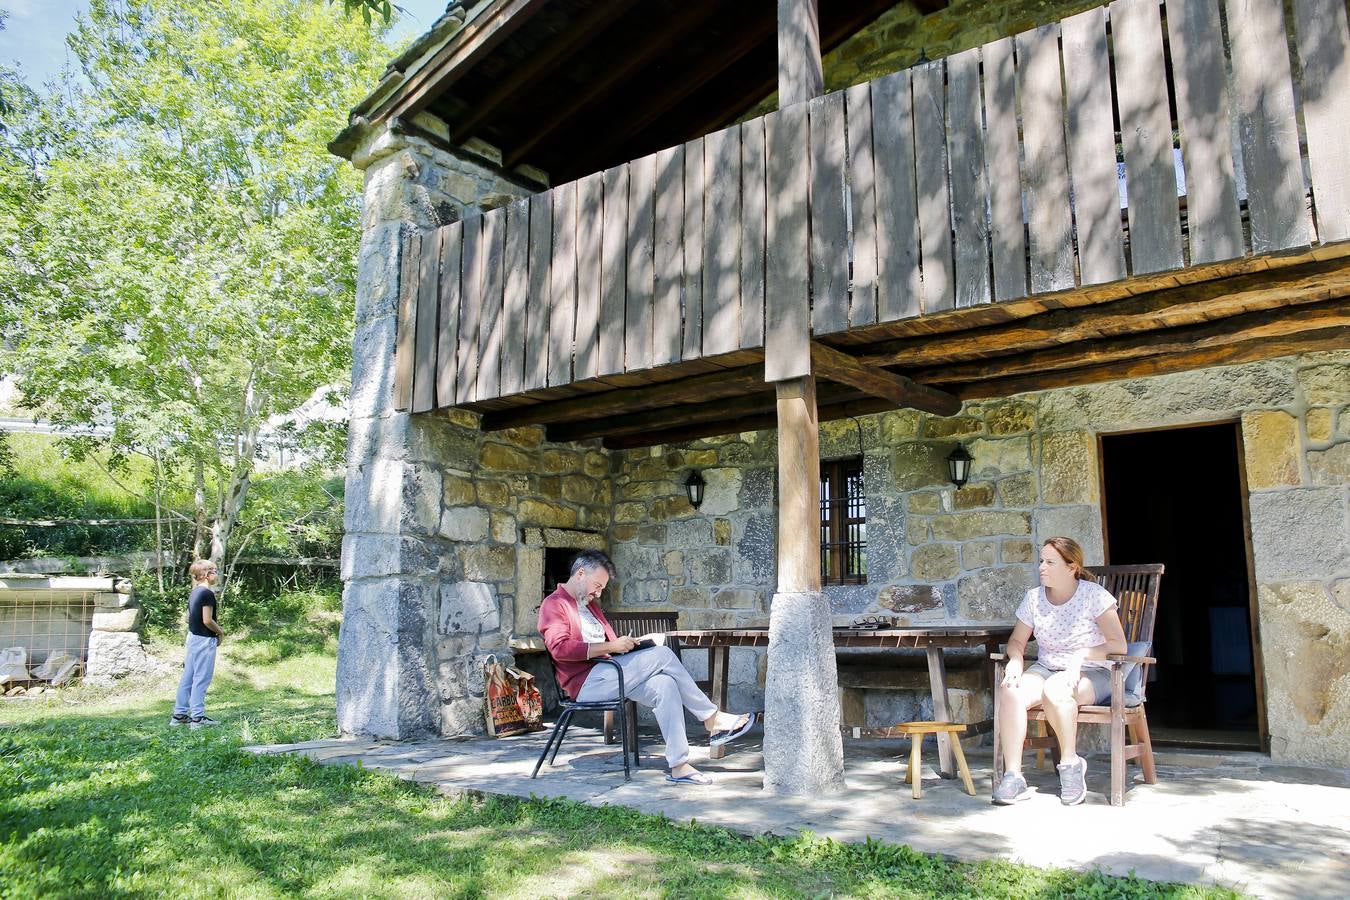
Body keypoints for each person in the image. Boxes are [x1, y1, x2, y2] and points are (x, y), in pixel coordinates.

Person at [538, 550, 756, 785]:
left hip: (612, 674)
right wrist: (612, 645)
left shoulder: (590, 606)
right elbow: (560, 649)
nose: (598, 592)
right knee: (662, 654)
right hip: (587, 685)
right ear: (580, 574)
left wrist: (629, 645)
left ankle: (679, 765)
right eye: (597, 585)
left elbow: (606, 646)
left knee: (665, 684)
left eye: (602, 588)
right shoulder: (555, 604)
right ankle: (711, 718)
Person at [992, 537, 1127, 806]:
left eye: (1050, 562)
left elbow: (1118, 644)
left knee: (1056, 689)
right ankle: (1014, 776)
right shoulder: (1033, 598)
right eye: (1041, 561)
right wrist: (1016, 661)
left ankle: (1070, 764)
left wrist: (1081, 655)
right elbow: (1017, 641)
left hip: (1092, 672)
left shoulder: (1093, 595)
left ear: (1071, 567)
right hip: (1047, 668)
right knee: (1010, 690)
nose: (1042, 567)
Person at [169, 559, 224, 729]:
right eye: (214, 571)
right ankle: (198, 718)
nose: (217, 574)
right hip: (204, 640)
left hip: (193, 637)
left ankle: (179, 715)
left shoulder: (194, 592)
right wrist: (220, 632)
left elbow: (188, 618)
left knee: (188, 677)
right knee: (201, 678)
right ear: (206, 574)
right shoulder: (207, 594)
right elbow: (207, 620)